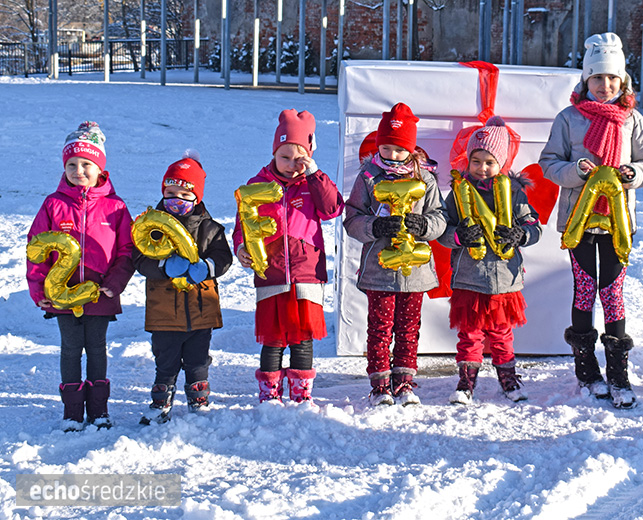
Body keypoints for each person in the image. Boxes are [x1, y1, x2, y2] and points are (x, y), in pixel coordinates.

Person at [539, 33, 643, 409]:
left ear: (622, 82)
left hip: (618, 226)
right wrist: (575, 170)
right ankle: (587, 369)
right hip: (578, 224)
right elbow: (548, 163)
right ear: (585, 81)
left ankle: (619, 372)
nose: (604, 86)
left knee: (613, 293)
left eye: (612, 79)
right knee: (584, 291)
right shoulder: (569, 118)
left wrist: (632, 174)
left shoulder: (632, 120)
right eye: (597, 78)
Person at [26, 121, 134, 431]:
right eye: (72, 164)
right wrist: (38, 290)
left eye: (87, 164)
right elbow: (36, 250)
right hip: (61, 296)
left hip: (99, 295)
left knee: (97, 348)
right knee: (71, 349)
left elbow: (127, 251)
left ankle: (99, 410)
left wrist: (115, 283)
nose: (79, 170)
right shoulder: (53, 205)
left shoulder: (115, 207)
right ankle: (72, 412)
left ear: (100, 167)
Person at [234, 109, 344, 406]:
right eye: (285, 157)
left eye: (300, 158)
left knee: (301, 338)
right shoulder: (257, 184)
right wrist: (242, 246)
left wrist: (315, 173)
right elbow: (242, 223)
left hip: (306, 272)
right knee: (272, 339)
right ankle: (269, 394)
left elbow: (333, 209)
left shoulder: (312, 183)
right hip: (271, 272)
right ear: (274, 153)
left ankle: (301, 394)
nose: (292, 165)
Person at [343, 102, 446, 406]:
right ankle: (379, 383)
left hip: (415, 271)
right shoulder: (369, 177)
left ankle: (404, 381)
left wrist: (424, 225)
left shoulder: (425, 179)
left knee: (409, 327)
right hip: (379, 270)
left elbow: (439, 218)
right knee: (379, 326)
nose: (392, 155)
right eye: (386, 148)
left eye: (400, 150)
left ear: (411, 150)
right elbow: (352, 218)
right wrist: (375, 226)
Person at [439, 116, 543, 405]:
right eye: (476, 161)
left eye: (489, 162)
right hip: (469, 277)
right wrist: (458, 236)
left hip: (503, 279)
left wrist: (519, 235)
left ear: (502, 164)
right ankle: (466, 381)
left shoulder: (515, 193)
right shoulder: (458, 195)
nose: (482, 169)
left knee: (501, 333)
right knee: (470, 334)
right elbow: (442, 230)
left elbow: (535, 228)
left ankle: (507, 377)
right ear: (467, 161)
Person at [133, 151, 232, 424]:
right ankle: (161, 399)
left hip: (202, 309)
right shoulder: (151, 226)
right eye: (171, 194)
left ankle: (198, 396)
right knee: (165, 357)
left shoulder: (211, 229)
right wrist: (163, 266)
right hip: (163, 311)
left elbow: (225, 259)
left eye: (185, 196)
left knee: (198, 358)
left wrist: (208, 268)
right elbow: (139, 259)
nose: (177, 202)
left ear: (197, 197)